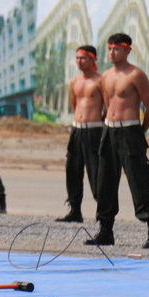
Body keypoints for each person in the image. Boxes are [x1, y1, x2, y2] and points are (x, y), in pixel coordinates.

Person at [86, 34, 149, 248]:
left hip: (130, 132)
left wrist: (139, 132)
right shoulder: (106, 76)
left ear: (127, 50)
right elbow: (108, 106)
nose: (112, 52)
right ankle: (106, 231)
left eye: (117, 49)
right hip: (109, 132)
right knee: (105, 182)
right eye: (109, 48)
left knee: (140, 181)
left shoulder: (136, 74)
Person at [57, 46, 104, 223]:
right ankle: (75, 210)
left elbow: (107, 105)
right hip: (77, 130)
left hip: (94, 131)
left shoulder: (100, 80)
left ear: (93, 60)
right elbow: (74, 105)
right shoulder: (74, 81)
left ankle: (102, 213)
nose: (79, 61)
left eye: (83, 58)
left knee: (95, 171)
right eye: (77, 58)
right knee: (73, 169)